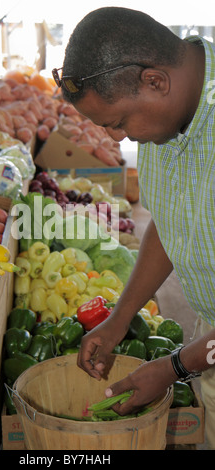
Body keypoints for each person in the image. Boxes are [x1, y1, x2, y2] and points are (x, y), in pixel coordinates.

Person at [52, 7, 215, 448]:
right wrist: (118, 319)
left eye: (118, 123)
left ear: (154, 82)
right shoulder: (167, 120)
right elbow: (171, 225)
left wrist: (174, 367)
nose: (116, 139)